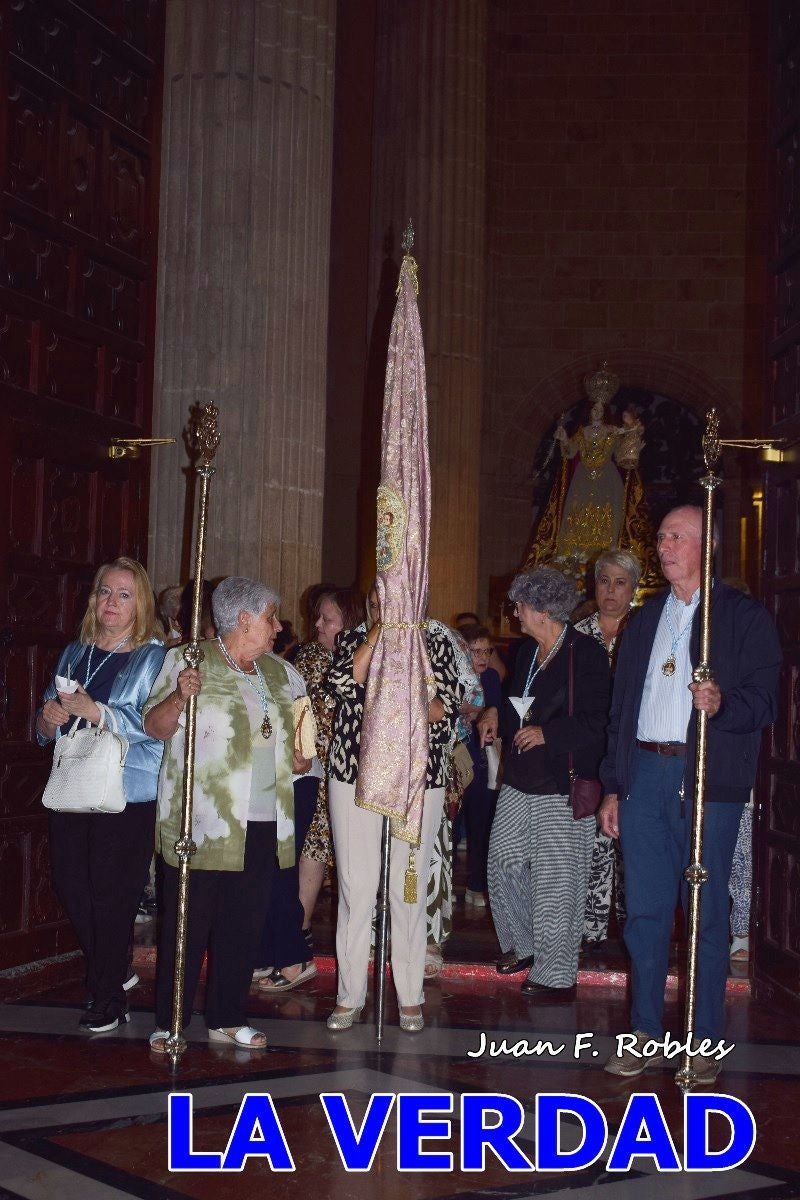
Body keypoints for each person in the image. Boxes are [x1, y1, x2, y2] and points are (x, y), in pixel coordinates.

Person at [599, 506, 782, 1081]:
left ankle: (704, 1042)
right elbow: (621, 712)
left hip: (707, 779)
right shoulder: (645, 618)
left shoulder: (742, 618)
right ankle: (644, 1032)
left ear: (708, 546)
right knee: (646, 911)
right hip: (645, 777)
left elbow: (767, 700)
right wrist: (613, 786)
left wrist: (723, 705)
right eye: (660, 536)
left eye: (676, 536)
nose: (662, 545)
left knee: (703, 913)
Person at [144, 576, 310, 1052]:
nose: (278, 627)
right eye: (271, 617)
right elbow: (154, 727)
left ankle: (227, 1016)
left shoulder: (282, 673)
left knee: (243, 923)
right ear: (243, 619)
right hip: (202, 822)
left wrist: (302, 756)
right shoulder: (186, 660)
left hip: (262, 819)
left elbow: (303, 741)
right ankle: (169, 1020)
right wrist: (179, 698)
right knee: (187, 922)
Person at [36, 558, 166, 1033]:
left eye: (124, 595)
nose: (111, 602)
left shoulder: (154, 657)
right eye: (105, 592)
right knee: (72, 885)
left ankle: (108, 994)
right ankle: (117, 968)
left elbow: (157, 729)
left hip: (128, 789)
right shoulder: (76, 652)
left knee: (113, 895)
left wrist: (99, 712)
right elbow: (46, 723)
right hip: (74, 783)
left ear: (140, 605)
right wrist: (47, 720)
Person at [326, 587, 460, 1031]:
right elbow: (345, 685)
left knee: (408, 887)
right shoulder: (352, 641)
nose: (388, 610)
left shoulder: (436, 643)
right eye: (379, 603)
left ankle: (409, 995)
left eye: (396, 602)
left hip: (417, 779)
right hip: (354, 775)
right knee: (356, 886)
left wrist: (406, 703)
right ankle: (349, 995)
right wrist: (378, 635)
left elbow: (447, 705)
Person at [478, 567, 610, 1002]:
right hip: (521, 777)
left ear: (542, 610)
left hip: (561, 782)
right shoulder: (526, 653)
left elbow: (599, 721)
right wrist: (496, 713)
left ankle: (557, 975)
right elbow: (521, 704)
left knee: (558, 880)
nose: (515, 614)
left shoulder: (584, 653)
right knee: (502, 861)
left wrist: (550, 734)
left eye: (520, 606)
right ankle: (527, 945)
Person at [255, 586, 365, 991]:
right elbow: (302, 714)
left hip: (351, 770)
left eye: (328, 619)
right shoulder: (309, 658)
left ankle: (296, 949)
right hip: (308, 768)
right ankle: (289, 943)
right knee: (300, 856)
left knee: (324, 859)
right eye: (318, 618)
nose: (317, 626)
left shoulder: (366, 655)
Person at [575, 549, 641, 944]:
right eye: (604, 581)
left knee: (635, 845)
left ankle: (635, 930)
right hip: (591, 750)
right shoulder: (577, 635)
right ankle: (591, 932)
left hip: (637, 751)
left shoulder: (648, 629)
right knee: (594, 843)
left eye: (620, 582)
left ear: (633, 588)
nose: (611, 590)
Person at [460, 624, 503, 906]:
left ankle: (476, 885)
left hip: (481, 756)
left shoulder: (491, 678)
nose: (483, 657)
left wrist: (476, 711)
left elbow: (498, 711)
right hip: (453, 752)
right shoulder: (452, 675)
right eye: (476, 650)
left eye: (487, 650)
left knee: (481, 821)